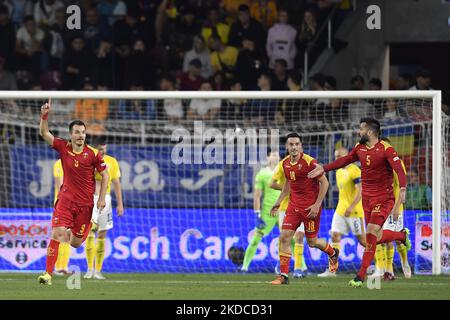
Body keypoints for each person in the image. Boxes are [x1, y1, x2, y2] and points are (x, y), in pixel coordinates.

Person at [308, 118, 411, 288]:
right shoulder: (359, 147)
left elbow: (399, 169)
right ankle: (401, 236)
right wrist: (324, 168)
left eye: (361, 129)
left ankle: (360, 276)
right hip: (367, 200)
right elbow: (345, 160)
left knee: (370, 234)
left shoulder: (386, 149)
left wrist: (403, 189)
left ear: (370, 132)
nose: (359, 131)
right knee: (375, 237)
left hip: (384, 199)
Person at [37, 99, 109, 285]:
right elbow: (44, 132)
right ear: (71, 135)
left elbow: (106, 175)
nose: (80, 136)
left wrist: (101, 199)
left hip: (85, 206)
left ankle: (84, 226)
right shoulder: (63, 147)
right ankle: (48, 274)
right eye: (77, 132)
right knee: (56, 234)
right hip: (65, 201)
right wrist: (44, 115)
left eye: (83, 132)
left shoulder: (93, 154)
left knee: (76, 243)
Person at [269, 133, 339, 285]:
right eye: (291, 144)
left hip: (310, 208)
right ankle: (284, 276)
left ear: (301, 146)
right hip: (293, 207)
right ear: (287, 147)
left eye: (296, 144)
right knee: (284, 237)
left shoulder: (310, 162)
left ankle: (333, 253)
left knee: (312, 242)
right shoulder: (285, 163)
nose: (294, 147)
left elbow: (325, 183)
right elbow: (288, 184)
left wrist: (317, 205)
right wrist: (279, 201)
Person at [318, 147, 366, 277]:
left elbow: (360, 190)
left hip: (354, 211)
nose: (337, 159)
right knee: (335, 235)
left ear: (346, 156)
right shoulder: (338, 171)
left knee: (363, 240)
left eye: (340, 156)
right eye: (336, 156)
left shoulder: (355, 170)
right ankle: (332, 269)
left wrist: (351, 207)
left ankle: (379, 264)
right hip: (340, 210)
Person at [84, 137, 124, 280]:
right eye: (100, 149)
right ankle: (89, 269)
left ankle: (98, 270)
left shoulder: (112, 161)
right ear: (95, 149)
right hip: (90, 199)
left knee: (102, 235)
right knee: (89, 233)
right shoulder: (88, 160)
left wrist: (120, 204)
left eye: (105, 149)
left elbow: (117, 183)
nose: (103, 152)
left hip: (105, 200)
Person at [374, 138, 411, 280]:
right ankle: (388, 271)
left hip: (394, 207)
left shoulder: (397, 164)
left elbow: (401, 188)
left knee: (395, 240)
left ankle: (404, 261)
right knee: (382, 238)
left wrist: (396, 208)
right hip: (380, 207)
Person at [240, 151, 281, 272]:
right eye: (273, 155)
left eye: (277, 155)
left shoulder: (284, 172)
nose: (275, 157)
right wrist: (257, 215)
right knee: (256, 239)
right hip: (267, 212)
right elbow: (257, 196)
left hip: (283, 210)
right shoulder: (262, 174)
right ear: (268, 157)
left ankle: (301, 267)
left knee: (292, 239)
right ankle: (244, 267)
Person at [271, 152, 308, 278]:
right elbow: (272, 183)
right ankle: (281, 263)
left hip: (301, 205)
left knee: (299, 236)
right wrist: (290, 188)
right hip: (286, 207)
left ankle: (298, 268)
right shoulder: (283, 164)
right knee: (285, 238)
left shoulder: (306, 163)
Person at [52, 159, 72, 276]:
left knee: (67, 236)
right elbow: (60, 184)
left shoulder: (77, 161)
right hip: (62, 202)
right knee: (59, 235)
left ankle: (63, 267)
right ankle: (57, 267)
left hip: (73, 203)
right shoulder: (59, 163)